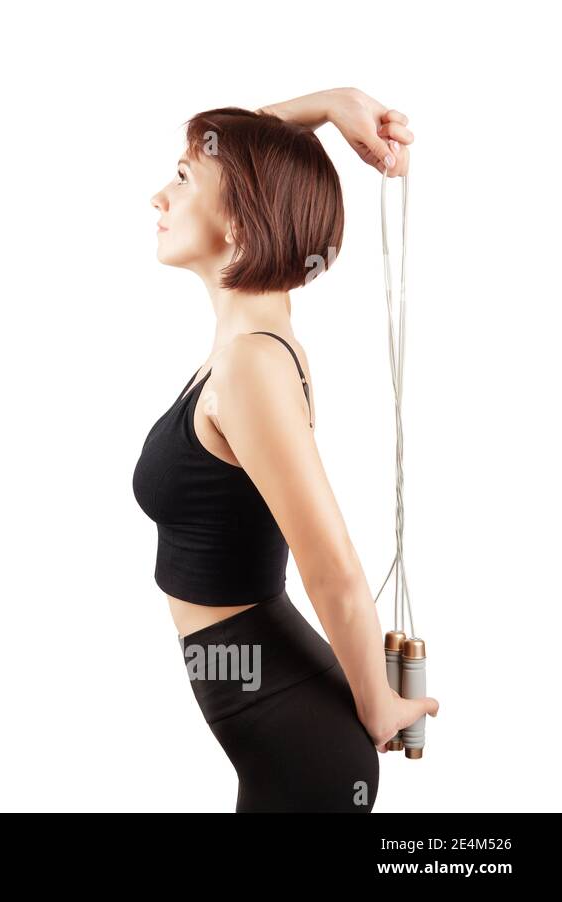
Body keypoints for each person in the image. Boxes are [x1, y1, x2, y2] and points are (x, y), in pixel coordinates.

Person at [132, 87, 438, 812]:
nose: (158, 195)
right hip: (272, 732)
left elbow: (330, 565)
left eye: (181, 178)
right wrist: (332, 106)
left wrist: (379, 704)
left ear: (239, 221)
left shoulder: (251, 368)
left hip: (303, 754)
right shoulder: (244, 346)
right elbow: (244, 151)